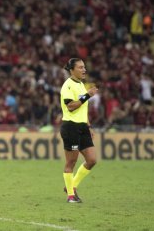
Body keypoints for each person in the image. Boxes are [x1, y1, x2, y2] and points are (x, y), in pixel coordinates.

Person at [60, 58, 98, 203]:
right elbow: (70, 106)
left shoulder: (81, 85)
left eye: (84, 67)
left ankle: (72, 185)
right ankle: (71, 196)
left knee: (92, 160)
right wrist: (88, 95)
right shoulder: (67, 86)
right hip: (71, 126)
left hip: (82, 127)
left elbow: (82, 107)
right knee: (71, 162)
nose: (84, 70)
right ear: (72, 70)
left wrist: (88, 126)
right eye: (81, 67)